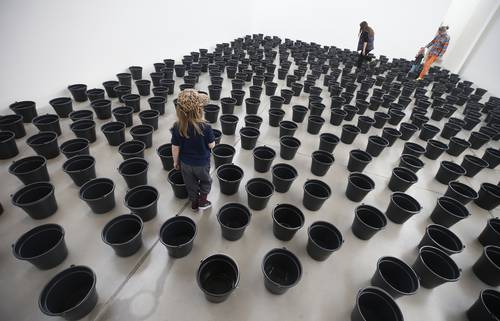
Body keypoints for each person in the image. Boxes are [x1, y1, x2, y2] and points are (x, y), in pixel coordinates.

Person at [171, 89, 215, 211]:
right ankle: (203, 201)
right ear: (199, 109)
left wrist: (175, 162)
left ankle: (194, 203)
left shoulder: (177, 126)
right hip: (202, 164)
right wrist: (212, 143)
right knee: (206, 181)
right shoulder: (205, 127)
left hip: (185, 163)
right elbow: (211, 145)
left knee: (191, 184)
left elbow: (175, 147)